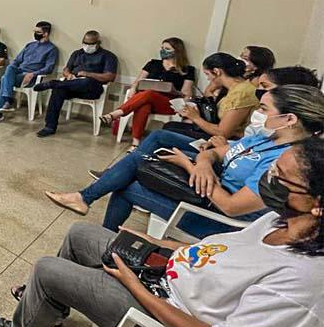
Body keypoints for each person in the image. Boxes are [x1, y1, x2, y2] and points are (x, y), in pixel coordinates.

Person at [0, 136, 324, 327]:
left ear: (318, 204)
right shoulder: (280, 221)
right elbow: (216, 255)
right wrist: (160, 244)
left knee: (47, 270)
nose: (267, 178)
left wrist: (137, 288)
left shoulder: (304, 281)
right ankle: (52, 307)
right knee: (79, 234)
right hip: (168, 282)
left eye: (280, 177)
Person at [45, 84, 324, 238]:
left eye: (263, 109)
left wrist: (189, 165)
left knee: (126, 186)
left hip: (214, 217)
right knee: (143, 161)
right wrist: (202, 162)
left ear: (289, 119)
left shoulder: (288, 162)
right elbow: (218, 151)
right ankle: (91, 214)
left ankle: (96, 230)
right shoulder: (268, 138)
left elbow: (231, 208)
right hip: (203, 187)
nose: (257, 114)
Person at [100, 37, 195, 149]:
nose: (163, 50)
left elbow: (186, 93)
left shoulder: (187, 70)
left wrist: (174, 91)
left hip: (168, 103)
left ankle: (116, 114)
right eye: (162, 48)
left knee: (149, 93)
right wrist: (133, 89)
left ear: (177, 51)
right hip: (145, 98)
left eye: (167, 48)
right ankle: (135, 143)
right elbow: (138, 82)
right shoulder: (153, 63)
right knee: (144, 105)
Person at [31, 30, 117, 137]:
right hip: (72, 85)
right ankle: (50, 126)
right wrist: (68, 75)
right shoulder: (77, 53)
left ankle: (53, 83)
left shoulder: (108, 56)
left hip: (91, 88)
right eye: (85, 43)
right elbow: (66, 69)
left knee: (86, 81)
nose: (87, 46)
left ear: (98, 43)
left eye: (91, 44)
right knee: (58, 90)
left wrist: (88, 74)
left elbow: (110, 76)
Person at [166, 53, 259, 140]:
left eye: (207, 74)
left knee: (160, 135)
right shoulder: (232, 88)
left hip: (227, 140)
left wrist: (195, 117)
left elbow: (223, 132)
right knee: (170, 126)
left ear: (216, 71)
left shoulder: (242, 93)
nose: (208, 78)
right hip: (217, 132)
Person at [0, 21, 58, 124]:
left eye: (38, 32)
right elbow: (17, 60)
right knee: (11, 67)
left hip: (30, 76)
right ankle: (8, 100)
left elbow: (49, 68)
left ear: (45, 34)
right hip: (19, 71)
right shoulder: (29, 45)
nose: (35, 33)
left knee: (3, 79)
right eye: (34, 31)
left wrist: (33, 74)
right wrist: (14, 66)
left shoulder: (51, 49)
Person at [205, 45, 275, 99]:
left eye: (245, 58)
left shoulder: (256, 83)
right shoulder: (229, 72)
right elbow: (208, 91)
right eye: (241, 55)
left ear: (256, 66)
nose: (239, 59)